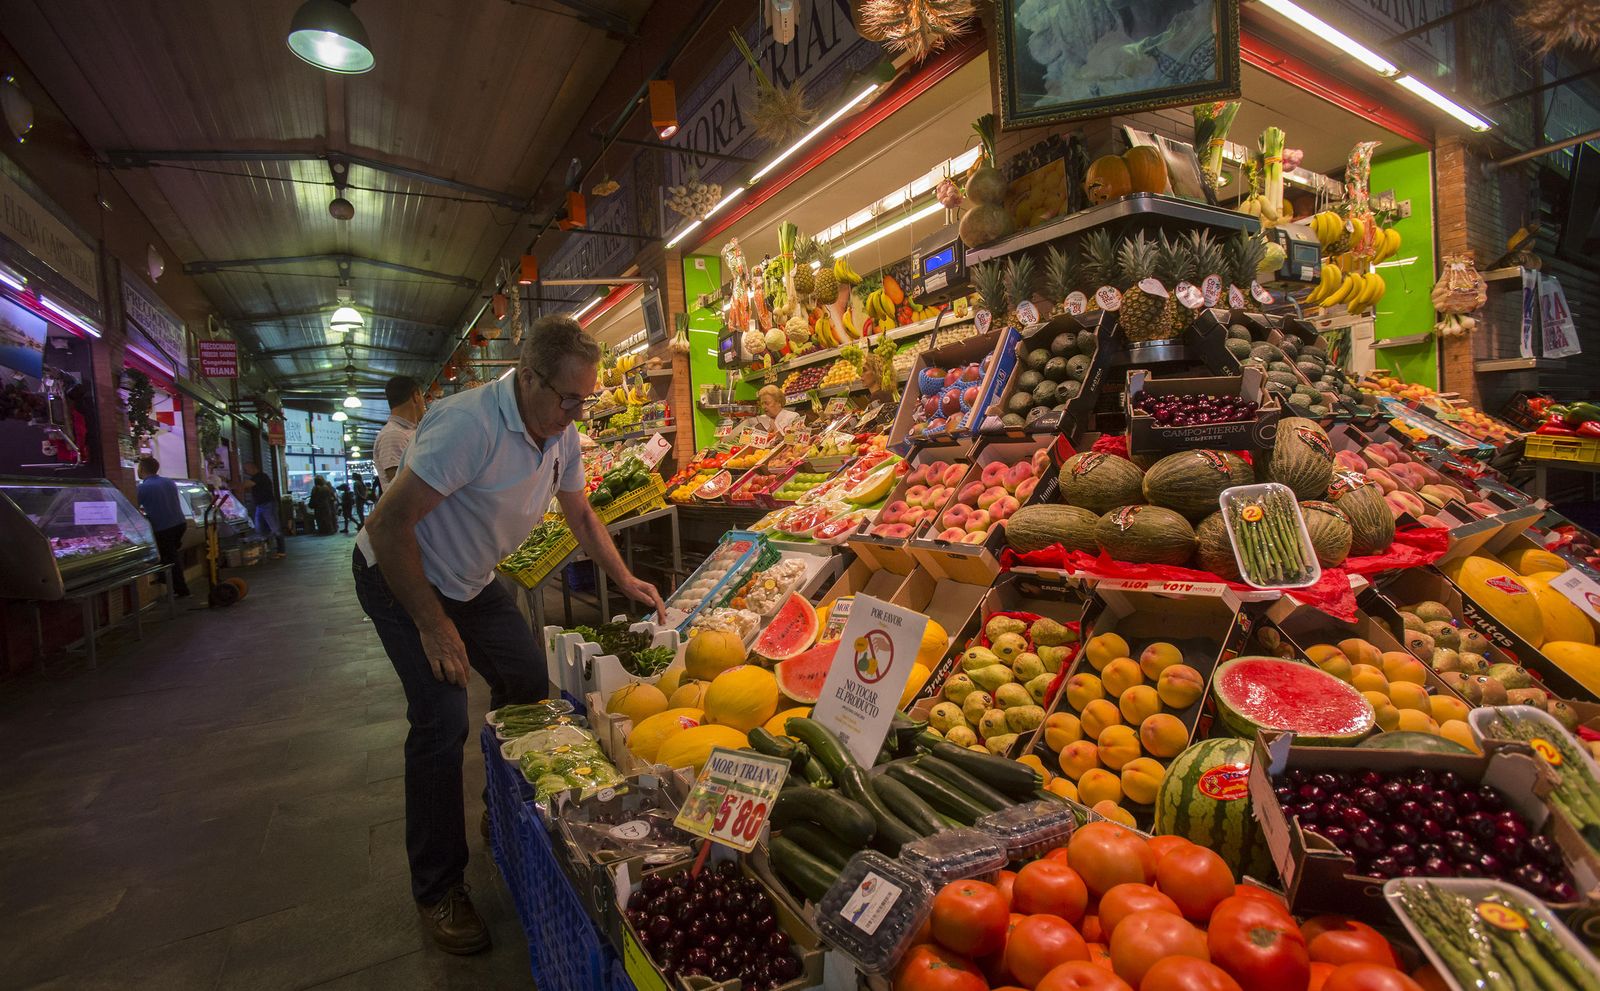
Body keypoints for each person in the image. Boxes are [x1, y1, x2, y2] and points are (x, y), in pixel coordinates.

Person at [355, 315, 666, 955]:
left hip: (468, 578)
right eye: (567, 397)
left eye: (587, 399)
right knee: (442, 720)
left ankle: (502, 811)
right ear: (527, 377)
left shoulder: (561, 431)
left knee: (526, 680)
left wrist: (625, 576)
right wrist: (432, 625)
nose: (576, 412)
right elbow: (389, 527)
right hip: (399, 575)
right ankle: (439, 887)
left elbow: (579, 510)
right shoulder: (467, 425)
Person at [135, 455, 190, 597]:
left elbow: (133, 507)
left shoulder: (143, 487)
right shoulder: (169, 482)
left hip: (163, 527)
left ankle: (181, 590)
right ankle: (168, 581)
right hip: (180, 523)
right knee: (171, 556)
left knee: (170, 559)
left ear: (141, 469)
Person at [375, 375, 425, 484]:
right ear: (416, 396)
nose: (424, 405)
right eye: (423, 397)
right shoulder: (393, 435)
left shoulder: (411, 431)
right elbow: (398, 485)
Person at [242, 460, 286, 558]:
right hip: (261, 505)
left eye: (246, 469)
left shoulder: (260, 476)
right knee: (261, 529)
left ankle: (281, 551)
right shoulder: (257, 477)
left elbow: (246, 485)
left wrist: (229, 483)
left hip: (268, 505)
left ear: (253, 468)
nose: (245, 471)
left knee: (275, 528)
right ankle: (264, 549)